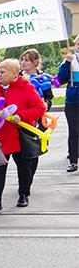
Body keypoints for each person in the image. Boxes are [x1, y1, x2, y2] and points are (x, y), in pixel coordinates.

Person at [0, 59, 47, 210]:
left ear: (14, 73)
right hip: (1, 136)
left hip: (20, 135)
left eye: (2, 72)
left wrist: (21, 116)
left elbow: (39, 108)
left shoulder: (26, 88)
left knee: (24, 167)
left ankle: (24, 194)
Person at [56, 37, 78, 173]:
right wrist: (67, 63)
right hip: (73, 101)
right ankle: (74, 161)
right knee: (75, 131)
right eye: (78, 43)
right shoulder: (70, 59)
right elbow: (61, 78)